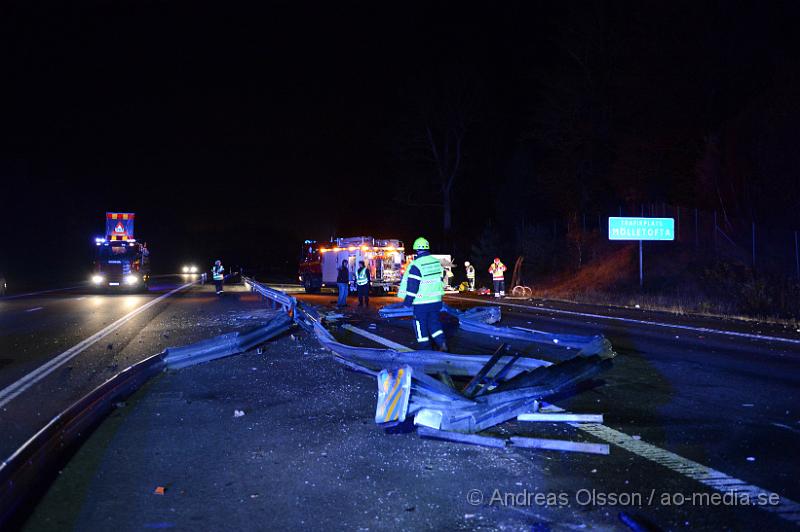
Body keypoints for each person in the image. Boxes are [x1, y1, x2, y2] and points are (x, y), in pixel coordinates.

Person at [398, 237, 448, 351]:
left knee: (420, 326)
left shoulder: (416, 265)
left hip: (422, 303)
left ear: (417, 250)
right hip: (436, 301)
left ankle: (425, 349)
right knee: (434, 323)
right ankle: (442, 343)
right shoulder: (437, 263)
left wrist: (407, 302)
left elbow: (412, 287)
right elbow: (441, 278)